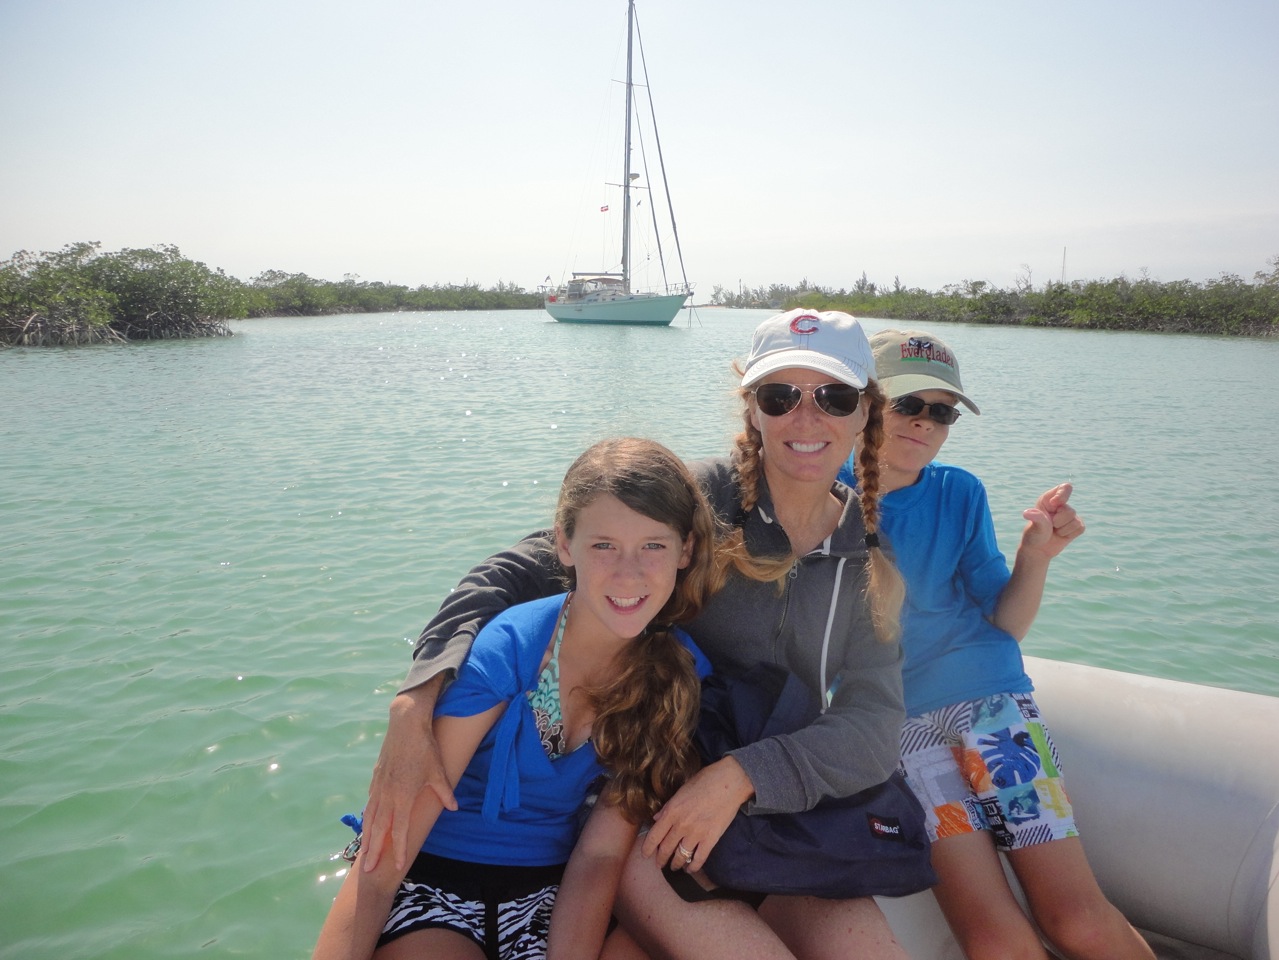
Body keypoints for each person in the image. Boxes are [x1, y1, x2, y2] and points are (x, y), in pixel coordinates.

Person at [360, 309, 914, 960]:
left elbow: (875, 721)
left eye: (835, 397)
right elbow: (516, 572)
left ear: (866, 411)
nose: (806, 417)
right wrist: (416, 697)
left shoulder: (867, 556)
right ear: (752, 407)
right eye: (780, 396)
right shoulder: (698, 500)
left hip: (776, 810)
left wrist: (741, 776)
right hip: (648, 799)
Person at [312, 437, 719, 960]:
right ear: (565, 545)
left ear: (685, 550)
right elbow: (389, 851)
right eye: (603, 545)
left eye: (653, 546)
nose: (628, 572)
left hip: (547, 893)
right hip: (435, 884)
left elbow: (599, 856)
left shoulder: (673, 672)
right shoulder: (511, 649)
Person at [836, 328, 1155, 960]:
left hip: (994, 710)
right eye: (908, 404)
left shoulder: (960, 492)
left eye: (942, 412)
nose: (925, 422)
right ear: (863, 403)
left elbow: (1004, 624)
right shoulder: (819, 499)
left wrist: (1036, 556)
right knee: (994, 940)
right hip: (900, 732)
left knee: (1077, 922)